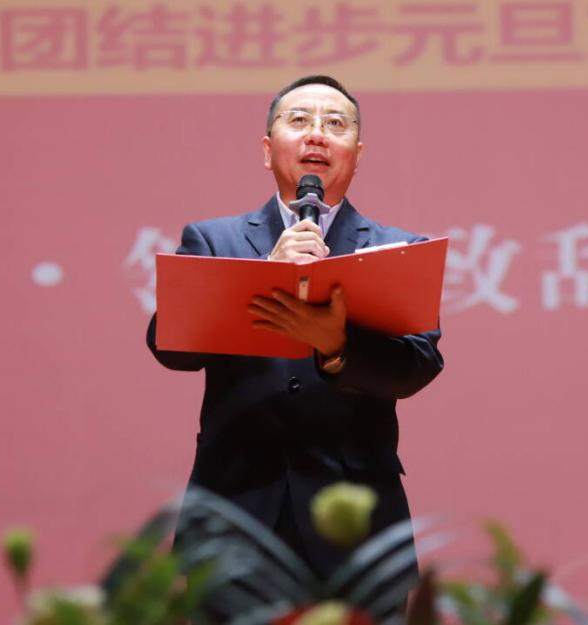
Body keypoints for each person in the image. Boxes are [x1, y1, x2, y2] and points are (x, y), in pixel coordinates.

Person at [146, 75, 444, 581]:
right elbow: (170, 345)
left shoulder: (397, 250)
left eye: (336, 124)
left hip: (356, 523)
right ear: (267, 150)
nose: (317, 135)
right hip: (234, 514)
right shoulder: (213, 240)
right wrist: (265, 273)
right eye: (299, 120)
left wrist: (337, 346)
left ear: (357, 154)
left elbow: (417, 366)